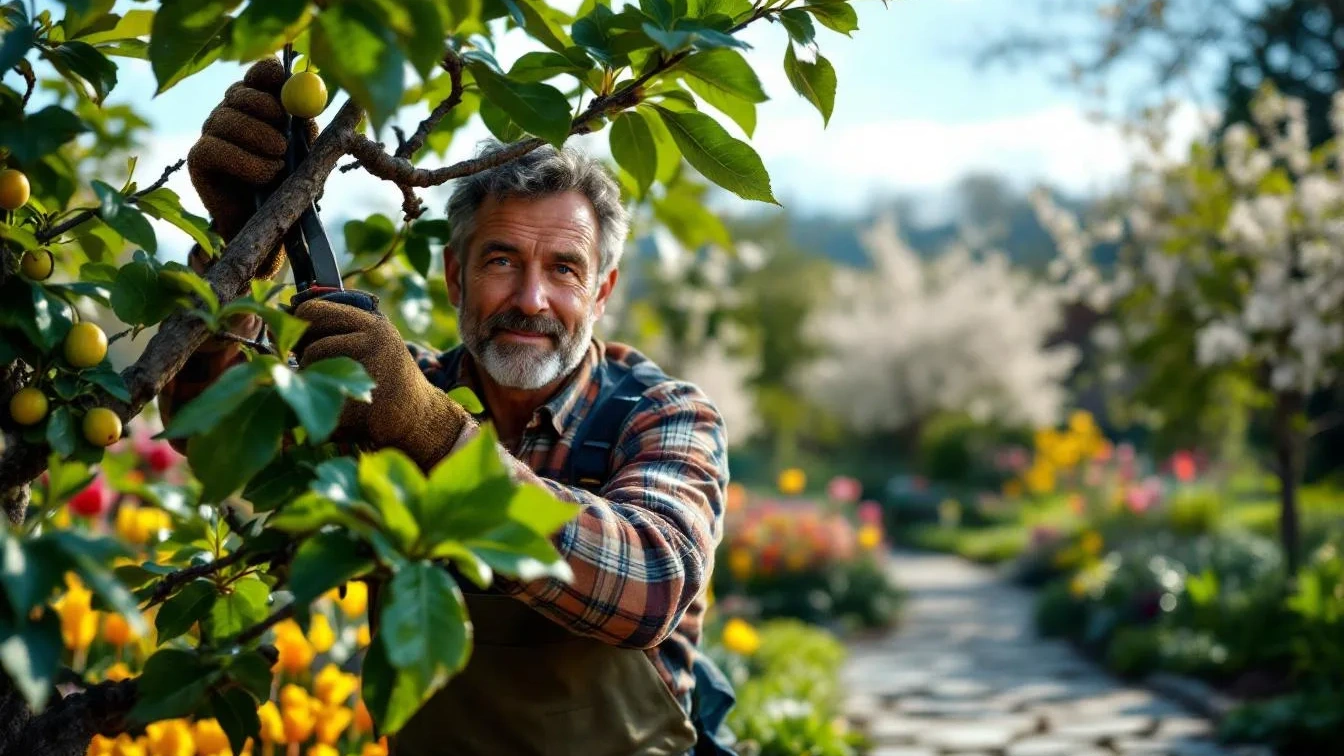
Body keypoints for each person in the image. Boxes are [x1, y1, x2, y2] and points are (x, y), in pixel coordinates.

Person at [159, 58, 738, 756]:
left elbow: (651, 583)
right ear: (455, 277)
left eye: (563, 268)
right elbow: (221, 437)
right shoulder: (393, 389)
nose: (531, 299)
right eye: (501, 262)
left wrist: (433, 433)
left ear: (602, 290)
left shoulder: (662, 412)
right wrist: (239, 259)